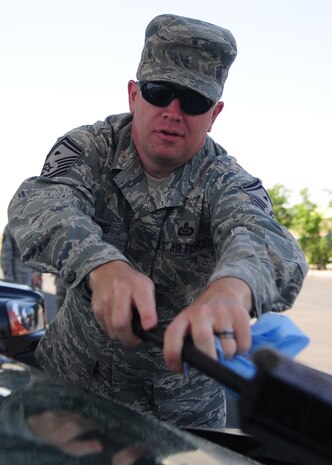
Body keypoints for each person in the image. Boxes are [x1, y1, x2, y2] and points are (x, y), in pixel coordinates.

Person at [7, 14, 307, 429]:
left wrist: (232, 289)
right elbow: (41, 204)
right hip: (67, 390)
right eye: (159, 91)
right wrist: (101, 265)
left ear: (215, 114)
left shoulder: (226, 180)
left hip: (179, 420)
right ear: (134, 95)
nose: (173, 111)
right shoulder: (90, 147)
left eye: (194, 100)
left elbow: (264, 239)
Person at [1, 224, 42, 289]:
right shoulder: (11, 227)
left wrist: (37, 273)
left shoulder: (35, 224)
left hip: (34, 281)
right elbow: (6, 258)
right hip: (18, 280)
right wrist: (10, 281)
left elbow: (38, 253)